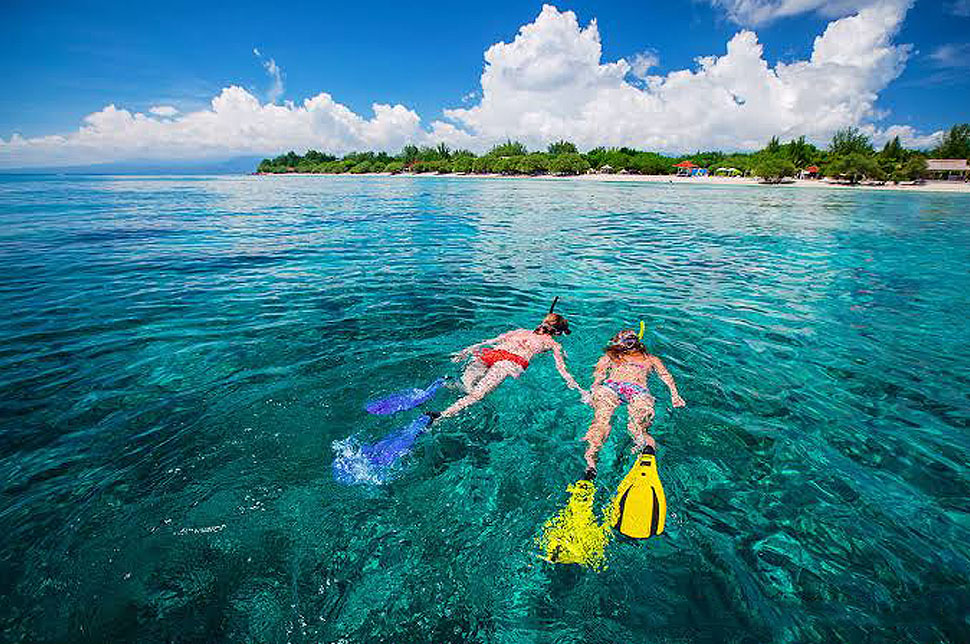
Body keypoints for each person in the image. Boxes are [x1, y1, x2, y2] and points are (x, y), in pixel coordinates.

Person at [430, 312, 589, 419]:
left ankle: (447, 384)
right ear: (558, 332)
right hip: (510, 362)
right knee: (477, 395)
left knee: (467, 387)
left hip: (490, 354)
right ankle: (442, 415)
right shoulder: (553, 344)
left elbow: (490, 341)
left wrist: (465, 351)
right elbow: (562, 370)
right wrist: (581, 390)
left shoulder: (520, 331)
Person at [582, 328, 685, 479]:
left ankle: (644, 454)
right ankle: (591, 465)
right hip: (612, 387)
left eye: (632, 339)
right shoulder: (611, 356)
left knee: (637, 429)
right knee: (601, 422)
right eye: (626, 340)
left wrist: (675, 395)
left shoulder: (651, 359)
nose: (630, 343)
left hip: (637, 391)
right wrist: (594, 389)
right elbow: (599, 375)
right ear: (620, 343)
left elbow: (665, 375)